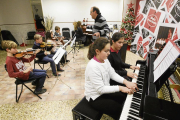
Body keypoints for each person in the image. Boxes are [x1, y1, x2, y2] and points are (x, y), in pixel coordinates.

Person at [85, 37, 138, 120]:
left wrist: (125, 82)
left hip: (104, 90)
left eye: (109, 50)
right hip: (95, 97)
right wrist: (120, 88)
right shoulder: (93, 66)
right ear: (97, 51)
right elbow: (100, 89)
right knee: (117, 109)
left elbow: (112, 74)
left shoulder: (105, 60)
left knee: (123, 96)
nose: (109, 53)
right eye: (106, 51)